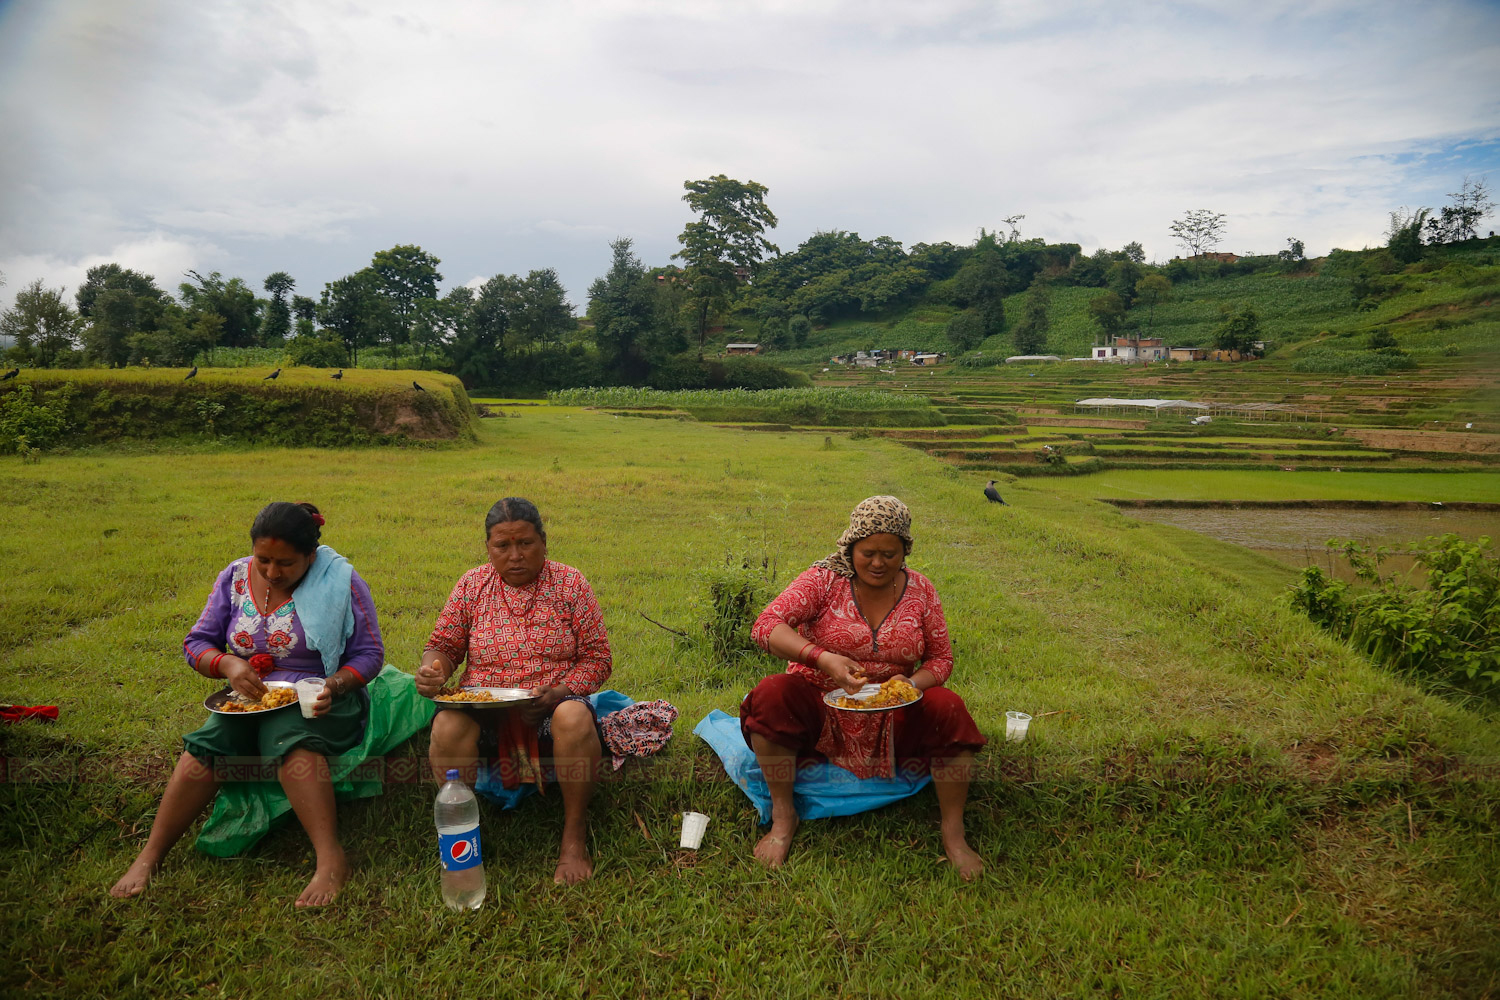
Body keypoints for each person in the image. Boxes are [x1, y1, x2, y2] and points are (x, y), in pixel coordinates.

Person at [111, 502, 385, 906]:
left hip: (321, 699)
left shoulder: (341, 581)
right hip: (249, 700)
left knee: (289, 736)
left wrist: (333, 685)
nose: (272, 572)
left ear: (311, 556)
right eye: (264, 560)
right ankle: (150, 855)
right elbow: (196, 643)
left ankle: (331, 859)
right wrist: (227, 663)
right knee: (210, 741)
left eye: (286, 563)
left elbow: (369, 653)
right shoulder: (235, 577)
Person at [740, 495, 987, 879]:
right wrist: (822, 658)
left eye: (889, 554)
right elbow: (766, 626)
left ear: (905, 550)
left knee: (948, 708)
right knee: (771, 695)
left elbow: (941, 659)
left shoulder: (921, 590)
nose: (878, 563)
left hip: (894, 715)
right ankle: (784, 817)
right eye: (867, 553)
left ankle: (953, 833)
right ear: (850, 547)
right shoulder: (824, 580)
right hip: (820, 707)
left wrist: (909, 684)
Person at [415, 497, 611, 885]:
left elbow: (597, 657)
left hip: (552, 706)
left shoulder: (570, 583)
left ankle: (574, 835)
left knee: (574, 717)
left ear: (544, 542)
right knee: (448, 726)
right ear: (488, 548)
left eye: (525, 543)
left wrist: (559, 692)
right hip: (484, 710)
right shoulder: (472, 585)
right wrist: (433, 670)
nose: (515, 555)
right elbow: (444, 645)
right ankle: (461, 838)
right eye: (502, 546)